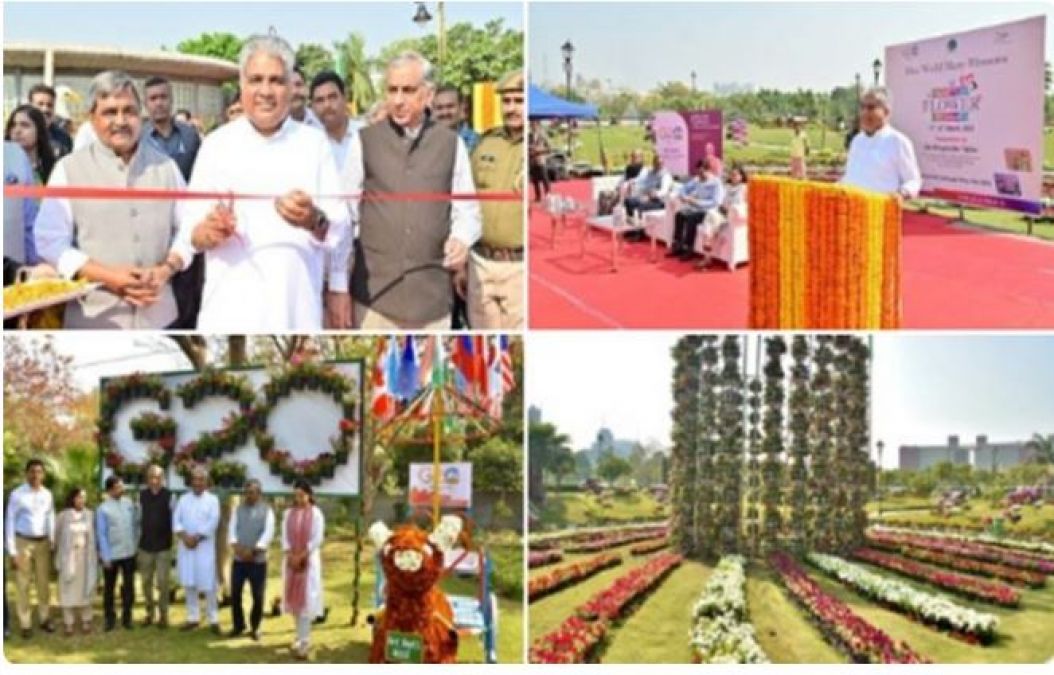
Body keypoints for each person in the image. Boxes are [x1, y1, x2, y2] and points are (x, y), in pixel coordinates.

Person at [182, 34, 351, 331]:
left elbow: (338, 230)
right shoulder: (215, 145)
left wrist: (312, 219)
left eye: (276, 81)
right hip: (228, 311)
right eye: (256, 80)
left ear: (290, 87)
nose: (265, 91)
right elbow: (189, 235)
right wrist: (207, 232)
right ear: (241, 85)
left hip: (296, 311)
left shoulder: (314, 144)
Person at [34, 70, 195, 329]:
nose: (121, 121)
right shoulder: (69, 169)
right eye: (110, 112)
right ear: (92, 118)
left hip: (161, 319)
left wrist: (166, 269)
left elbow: (189, 228)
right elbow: (50, 240)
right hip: (96, 321)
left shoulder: (166, 167)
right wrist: (107, 277)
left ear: (140, 117)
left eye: (129, 111)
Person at [333, 51, 481, 331]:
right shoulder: (364, 142)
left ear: (428, 95)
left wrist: (462, 239)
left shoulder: (451, 145)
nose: (398, 100)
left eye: (408, 90)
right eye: (392, 90)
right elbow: (344, 217)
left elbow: (468, 212)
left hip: (433, 303)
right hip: (374, 302)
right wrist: (339, 285)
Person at [141, 76, 205, 330]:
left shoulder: (190, 136)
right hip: (153, 224)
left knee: (189, 286)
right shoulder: (140, 139)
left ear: (172, 99)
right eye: (153, 99)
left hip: (188, 222)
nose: (159, 103)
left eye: (163, 97)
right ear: (146, 104)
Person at [465, 69, 524, 330]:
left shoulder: (534, 148)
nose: (511, 108)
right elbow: (465, 201)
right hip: (480, 263)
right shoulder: (486, 144)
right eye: (507, 101)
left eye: (519, 101)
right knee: (483, 344)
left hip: (519, 268)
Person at [4, 459, 55, 638]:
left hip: (43, 543)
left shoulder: (47, 494)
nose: (36, 475)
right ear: (26, 473)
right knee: (23, 584)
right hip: (22, 542)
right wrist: (12, 551)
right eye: (32, 471)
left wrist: (53, 540)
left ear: (43, 474)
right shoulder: (17, 494)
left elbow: (50, 516)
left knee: (43, 584)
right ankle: (25, 623)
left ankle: (44, 618)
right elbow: (9, 521)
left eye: (39, 472)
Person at [841, 87, 922, 200]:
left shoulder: (897, 141)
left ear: (886, 111)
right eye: (862, 107)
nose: (865, 113)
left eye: (871, 108)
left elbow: (913, 181)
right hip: (853, 211)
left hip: (881, 213)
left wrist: (901, 194)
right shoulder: (857, 141)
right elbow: (850, 178)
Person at [5, 105, 57, 264]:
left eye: (25, 125)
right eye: (13, 125)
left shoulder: (53, 169)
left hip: (46, 249)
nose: (17, 130)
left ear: (39, 130)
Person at [173, 467, 221, 633]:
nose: (198, 482)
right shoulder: (183, 499)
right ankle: (192, 618)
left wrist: (198, 537)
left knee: (208, 585)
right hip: (186, 548)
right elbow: (176, 521)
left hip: (204, 548)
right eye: (195, 479)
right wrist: (185, 537)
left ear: (207, 482)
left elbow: (213, 522)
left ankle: (213, 619)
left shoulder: (213, 500)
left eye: (201, 479)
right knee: (189, 583)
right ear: (191, 481)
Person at [282, 480, 324, 661]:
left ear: (309, 495)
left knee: (306, 600)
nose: (298, 499)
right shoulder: (288, 514)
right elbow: (284, 536)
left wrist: (302, 555)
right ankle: (298, 638)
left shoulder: (316, 514)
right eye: (296, 495)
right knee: (294, 600)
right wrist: (291, 554)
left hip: (309, 561)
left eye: (302, 495)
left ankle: (305, 641)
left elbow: (317, 537)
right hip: (291, 562)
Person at [227, 479, 274, 641]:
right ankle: (238, 625)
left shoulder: (267, 511)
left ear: (259, 494)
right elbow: (232, 531)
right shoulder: (237, 509)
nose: (249, 495)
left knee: (258, 596)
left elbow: (268, 534)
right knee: (235, 594)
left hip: (257, 561)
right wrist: (239, 549)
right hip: (239, 560)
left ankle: (256, 627)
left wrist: (253, 551)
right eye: (246, 492)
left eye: (252, 492)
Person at [96, 475, 139, 631]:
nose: (122, 489)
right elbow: (101, 534)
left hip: (129, 552)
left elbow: (135, 525)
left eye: (122, 486)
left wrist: (135, 546)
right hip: (112, 555)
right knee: (109, 588)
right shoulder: (103, 509)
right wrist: (105, 556)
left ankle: (127, 618)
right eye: (118, 487)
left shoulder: (129, 504)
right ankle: (109, 618)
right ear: (110, 490)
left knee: (129, 587)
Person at [54, 487, 98, 636]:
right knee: (67, 589)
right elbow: (57, 536)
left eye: (84, 497)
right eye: (79, 497)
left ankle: (86, 620)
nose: (82, 500)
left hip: (85, 558)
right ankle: (68, 623)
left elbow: (93, 537)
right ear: (73, 498)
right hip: (69, 558)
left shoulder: (90, 515)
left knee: (86, 588)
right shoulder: (63, 516)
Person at [138, 463, 173, 628]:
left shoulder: (169, 496)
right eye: (151, 477)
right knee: (146, 582)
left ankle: (164, 615)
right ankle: (149, 613)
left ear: (163, 479)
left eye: (158, 477)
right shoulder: (141, 496)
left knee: (163, 582)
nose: (154, 480)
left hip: (163, 547)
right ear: (147, 479)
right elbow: (137, 519)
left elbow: (175, 520)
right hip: (145, 546)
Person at [669, 158, 724, 259]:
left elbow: (716, 202)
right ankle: (677, 245)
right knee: (679, 215)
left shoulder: (716, 183)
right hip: (695, 208)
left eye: (702, 173)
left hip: (708, 212)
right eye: (698, 172)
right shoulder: (697, 179)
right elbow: (684, 188)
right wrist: (685, 196)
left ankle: (688, 248)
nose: (699, 175)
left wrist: (697, 202)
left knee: (691, 219)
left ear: (708, 170)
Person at [309, 70, 364, 172]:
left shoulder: (365, 135)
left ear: (345, 98)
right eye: (320, 100)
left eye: (332, 97)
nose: (327, 105)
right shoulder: (310, 145)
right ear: (312, 107)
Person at [697, 164, 749, 269]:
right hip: (722, 213)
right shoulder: (727, 187)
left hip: (732, 216)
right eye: (732, 174)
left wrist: (732, 209)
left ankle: (707, 255)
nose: (733, 176)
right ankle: (707, 252)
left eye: (736, 175)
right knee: (710, 215)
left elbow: (746, 205)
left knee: (711, 219)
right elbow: (722, 202)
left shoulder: (744, 188)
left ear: (741, 176)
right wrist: (723, 207)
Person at [28, 83, 73, 158]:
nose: (45, 109)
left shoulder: (63, 138)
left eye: (49, 105)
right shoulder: (18, 134)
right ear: (30, 106)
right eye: (40, 104)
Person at [623, 153, 672, 221]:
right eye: (656, 163)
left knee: (640, 208)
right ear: (653, 163)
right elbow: (643, 184)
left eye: (660, 163)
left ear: (663, 164)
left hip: (658, 202)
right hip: (646, 197)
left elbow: (663, 192)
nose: (658, 165)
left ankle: (639, 229)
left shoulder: (665, 176)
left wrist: (651, 196)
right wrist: (633, 183)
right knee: (628, 201)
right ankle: (630, 222)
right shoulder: (650, 173)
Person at [433, 85, 480, 154]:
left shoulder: (475, 141)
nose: (445, 112)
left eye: (450, 106)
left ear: (461, 108)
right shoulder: (427, 141)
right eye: (439, 108)